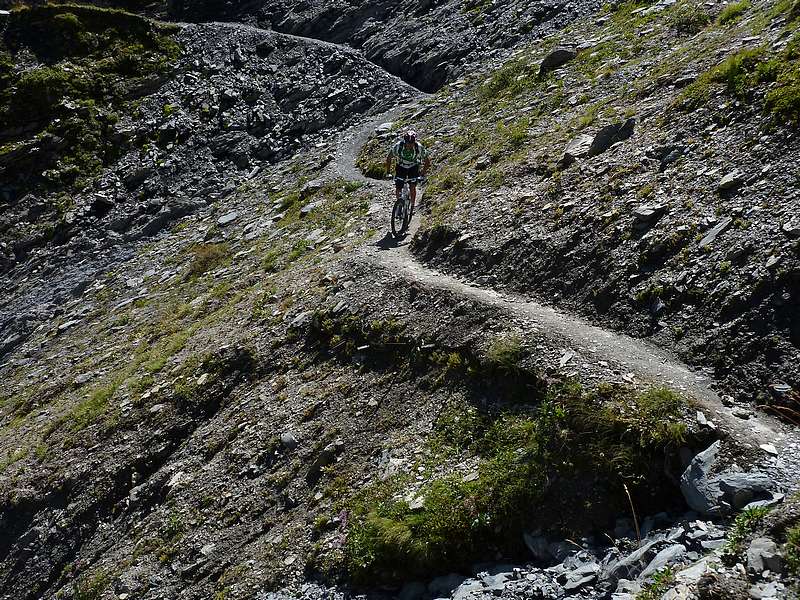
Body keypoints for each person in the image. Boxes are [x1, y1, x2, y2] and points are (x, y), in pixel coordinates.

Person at [385, 130, 431, 214]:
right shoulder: (399, 146)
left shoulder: (419, 147)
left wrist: (422, 174)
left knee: (412, 186)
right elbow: (389, 157)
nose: (409, 145)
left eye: (412, 143)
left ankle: (412, 206)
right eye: (408, 143)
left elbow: (427, 161)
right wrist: (388, 172)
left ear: (414, 141)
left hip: (413, 167)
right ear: (404, 141)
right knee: (398, 186)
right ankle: (399, 204)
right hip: (401, 166)